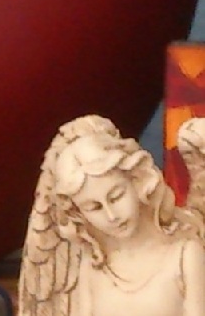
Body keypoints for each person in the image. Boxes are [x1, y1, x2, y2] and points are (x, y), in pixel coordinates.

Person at [26, 115, 205, 316]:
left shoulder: (185, 256)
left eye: (116, 196)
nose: (111, 216)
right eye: (94, 207)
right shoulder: (92, 267)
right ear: (79, 214)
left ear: (137, 181)